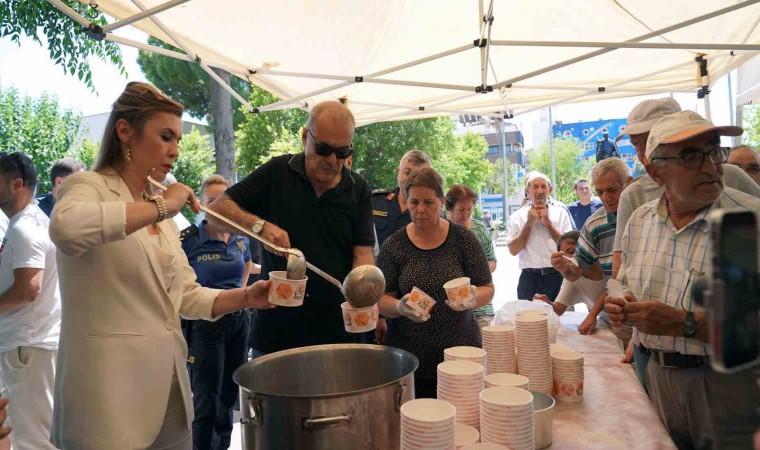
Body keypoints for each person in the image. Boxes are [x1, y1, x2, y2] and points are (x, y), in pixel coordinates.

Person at [48, 82, 274, 450]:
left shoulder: (160, 211)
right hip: (107, 399)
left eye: (178, 140)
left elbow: (185, 294)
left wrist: (248, 296)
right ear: (125, 131)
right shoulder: (87, 186)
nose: (174, 150)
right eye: (165, 136)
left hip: (169, 387)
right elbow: (66, 228)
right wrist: (163, 206)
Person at [606, 111, 760, 449]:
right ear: (655, 172)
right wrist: (623, 307)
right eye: (691, 157)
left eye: (714, 151)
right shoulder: (641, 222)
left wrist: (683, 323)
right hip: (656, 376)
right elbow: (630, 287)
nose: (711, 166)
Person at [207, 101, 375, 356]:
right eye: (323, 149)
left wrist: (364, 293)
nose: (332, 160)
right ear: (305, 137)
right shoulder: (277, 172)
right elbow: (216, 211)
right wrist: (259, 227)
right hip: (277, 330)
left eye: (342, 152)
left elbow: (362, 255)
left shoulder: (358, 188)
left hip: (336, 332)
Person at [377, 167, 494, 398]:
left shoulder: (465, 240)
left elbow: (487, 289)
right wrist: (400, 307)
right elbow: (382, 299)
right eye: (414, 202)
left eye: (429, 202)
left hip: (461, 353)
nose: (420, 210)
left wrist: (472, 297)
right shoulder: (394, 245)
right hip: (411, 358)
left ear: (441, 201)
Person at [180, 175, 253, 450]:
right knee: (206, 401)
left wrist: (242, 294)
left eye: (227, 201)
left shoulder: (239, 239)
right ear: (200, 204)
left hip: (238, 323)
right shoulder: (188, 240)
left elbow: (247, 265)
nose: (220, 207)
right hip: (204, 326)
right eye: (213, 202)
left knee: (228, 396)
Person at [0, 152, 60, 450]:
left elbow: (28, 289)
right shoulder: (23, 222)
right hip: (27, 347)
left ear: (16, 184)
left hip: (28, 347)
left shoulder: (27, 228)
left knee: (34, 441)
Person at [549, 158, 633, 352]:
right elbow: (576, 272)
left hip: (648, 320)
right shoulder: (594, 223)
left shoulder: (648, 216)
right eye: (600, 192)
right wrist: (566, 267)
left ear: (627, 182)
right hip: (614, 320)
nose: (606, 198)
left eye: (612, 190)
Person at [506, 171, 574, 301]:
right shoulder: (518, 216)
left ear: (550, 190)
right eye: (535, 187)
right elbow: (513, 250)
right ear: (527, 191)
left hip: (558, 275)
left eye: (544, 186)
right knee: (528, 319)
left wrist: (548, 224)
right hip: (529, 279)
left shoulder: (561, 213)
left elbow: (569, 248)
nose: (540, 191)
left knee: (563, 319)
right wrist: (529, 223)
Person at [445, 184, 497, 329]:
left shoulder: (479, 229)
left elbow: (492, 260)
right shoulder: (441, 230)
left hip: (481, 307)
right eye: (461, 210)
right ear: (449, 208)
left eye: (469, 209)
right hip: (452, 307)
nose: (466, 214)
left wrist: (477, 271)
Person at [535, 231, 604, 330]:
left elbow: (609, 291)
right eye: (563, 257)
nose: (568, 259)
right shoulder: (572, 279)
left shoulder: (607, 265)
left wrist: (592, 315)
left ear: (587, 249)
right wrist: (547, 303)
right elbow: (559, 309)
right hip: (607, 323)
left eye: (572, 252)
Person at [372, 149, 432, 248]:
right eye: (407, 173)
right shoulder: (374, 201)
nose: (412, 180)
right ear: (398, 172)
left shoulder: (432, 212)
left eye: (419, 175)